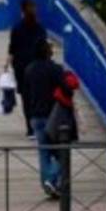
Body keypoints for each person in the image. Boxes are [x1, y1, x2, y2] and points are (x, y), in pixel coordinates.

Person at [23, 39, 67, 198]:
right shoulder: (55, 69)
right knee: (62, 151)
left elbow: (25, 92)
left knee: (44, 151)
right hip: (53, 115)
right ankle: (53, 179)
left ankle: (48, 183)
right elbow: (66, 88)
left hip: (35, 115)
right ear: (49, 52)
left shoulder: (29, 69)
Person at [6, 0, 48, 136]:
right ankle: (41, 125)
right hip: (38, 65)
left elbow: (12, 49)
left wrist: (7, 64)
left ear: (21, 11)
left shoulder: (17, 28)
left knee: (26, 97)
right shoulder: (40, 28)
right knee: (39, 96)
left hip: (21, 66)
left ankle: (30, 129)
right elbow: (45, 46)